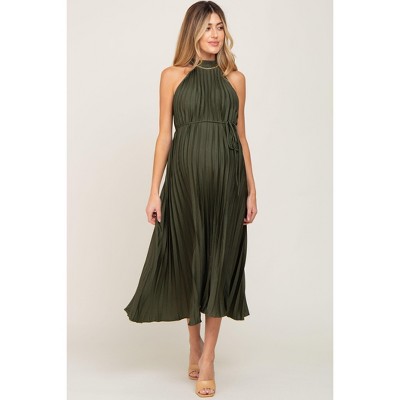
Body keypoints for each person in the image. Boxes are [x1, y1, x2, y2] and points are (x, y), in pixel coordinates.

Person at [124, 1, 257, 397]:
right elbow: (164, 135)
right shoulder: (172, 76)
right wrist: (154, 190)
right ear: (193, 32)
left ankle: (209, 357)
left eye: (220, 26)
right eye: (207, 27)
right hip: (183, 183)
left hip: (227, 184)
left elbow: (241, 136)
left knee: (220, 263)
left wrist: (251, 188)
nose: (215, 34)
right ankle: (193, 341)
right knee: (189, 260)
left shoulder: (235, 79)